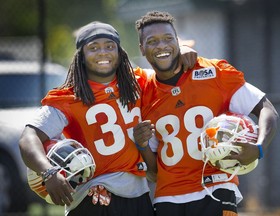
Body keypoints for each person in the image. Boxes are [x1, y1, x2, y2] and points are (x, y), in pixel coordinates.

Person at [19, 21, 197, 216]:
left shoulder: (139, 81)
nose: (103, 52)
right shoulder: (69, 97)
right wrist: (49, 172)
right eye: (93, 48)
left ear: (120, 53)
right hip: (94, 195)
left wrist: (183, 50)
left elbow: (169, 70)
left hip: (138, 195)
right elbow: (29, 138)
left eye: (109, 46)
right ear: (81, 57)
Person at [133, 11, 279, 216]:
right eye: (152, 41)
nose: (161, 46)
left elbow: (267, 110)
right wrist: (142, 145)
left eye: (168, 39)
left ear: (177, 40)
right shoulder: (143, 90)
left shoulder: (213, 72)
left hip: (216, 187)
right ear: (142, 48)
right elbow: (155, 171)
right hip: (167, 196)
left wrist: (259, 148)